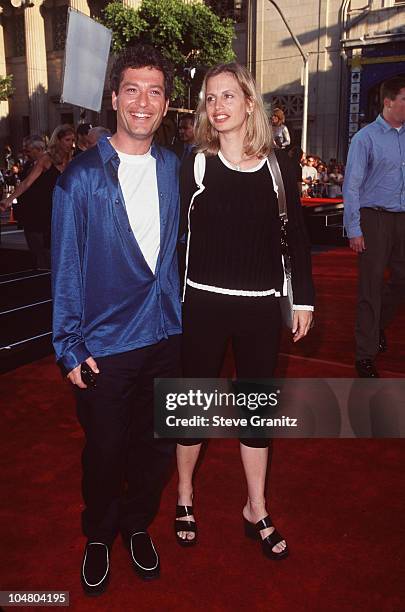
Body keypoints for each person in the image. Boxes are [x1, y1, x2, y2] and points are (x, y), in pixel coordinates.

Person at [51, 44, 181, 595]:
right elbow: (66, 263)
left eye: (154, 91)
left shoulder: (175, 168)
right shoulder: (82, 176)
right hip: (104, 345)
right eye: (132, 89)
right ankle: (100, 534)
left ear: (167, 104)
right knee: (104, 452)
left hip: (167, 335)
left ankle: (135, 524)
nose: (143, 101)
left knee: (156, 447)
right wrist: (68, 345)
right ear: (114, 98)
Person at [175, 63, 314, 559]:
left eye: (228, 96)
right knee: (192, 409)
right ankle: (185, 494)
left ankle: (256, 506)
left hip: (260, 307)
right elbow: (173, 238)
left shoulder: (279, 166)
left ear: (249, 103)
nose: (218, 106)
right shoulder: (193, 163)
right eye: (210, 98)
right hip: (204, 303)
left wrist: (303, 298)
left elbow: (294, 234)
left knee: (256, 414)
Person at [343, 75, 405, 378]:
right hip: (374, 218)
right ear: (389, 102)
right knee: (370, 288)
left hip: (402, 218)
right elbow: (351, 185)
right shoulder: (365, 138)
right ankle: (365, 354)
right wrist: (353, 228)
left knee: (401, 282)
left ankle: (378, 324)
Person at [0, 125, 74, 269]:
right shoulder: (47, 159)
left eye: (73, 140)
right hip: (42, 213)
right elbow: (27, 182)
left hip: (60, 212)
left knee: (60, 257)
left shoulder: (72, 161)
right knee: (44, 257)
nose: (71, 144)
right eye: (67, 140)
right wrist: (8, 200)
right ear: (58, 140)